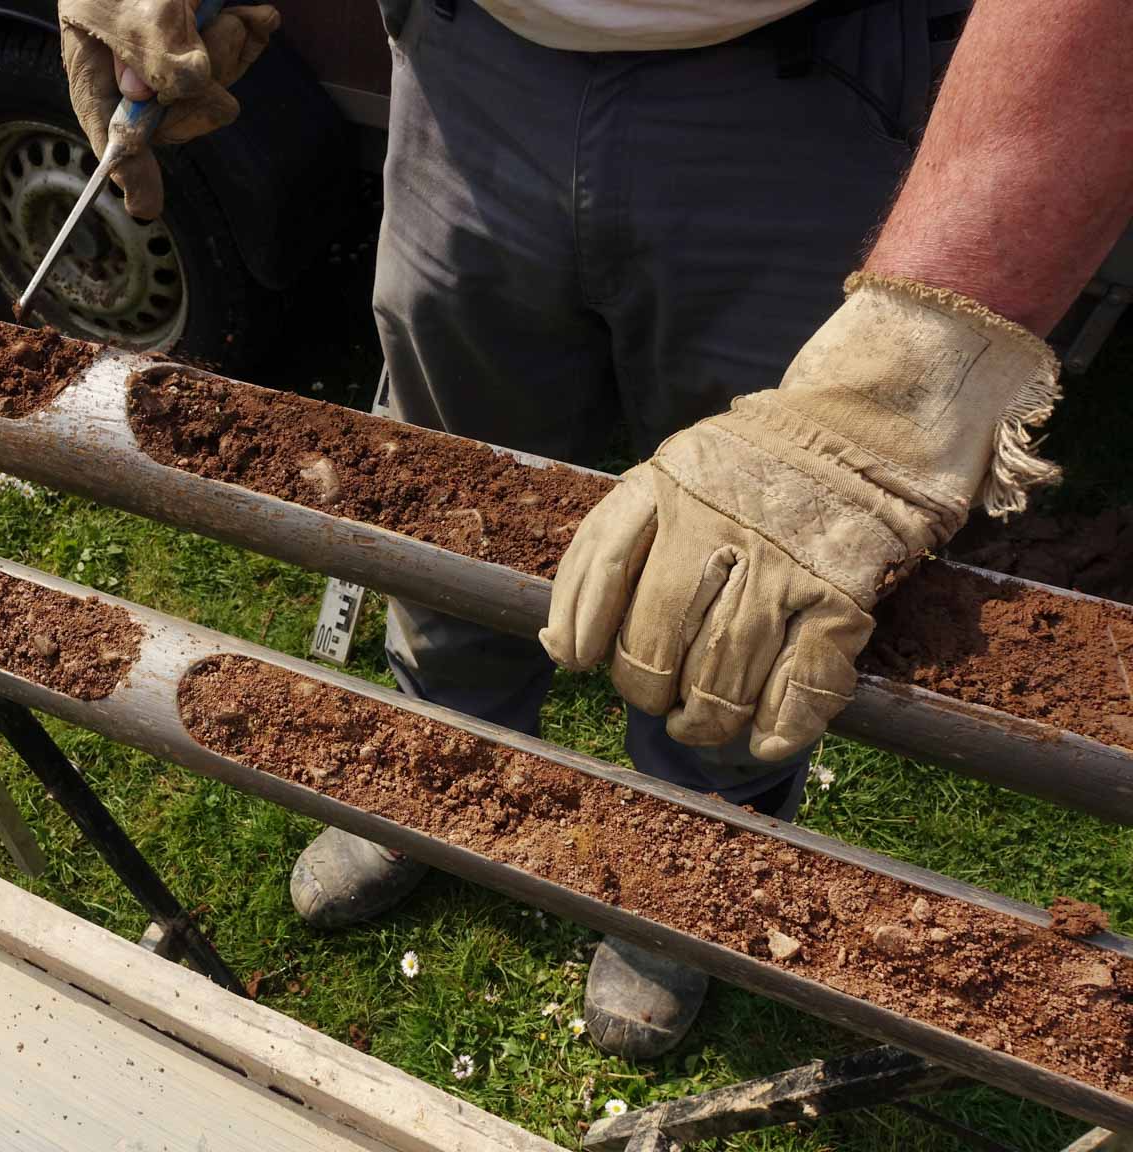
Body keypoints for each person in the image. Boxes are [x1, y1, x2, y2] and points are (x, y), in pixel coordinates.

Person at [56, 0, 1133, 1058]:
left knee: (750, 553)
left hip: (805, 84)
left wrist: (918, 357)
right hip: (469, 60)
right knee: (445, 482)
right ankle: (436, 766)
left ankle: (682, 865)